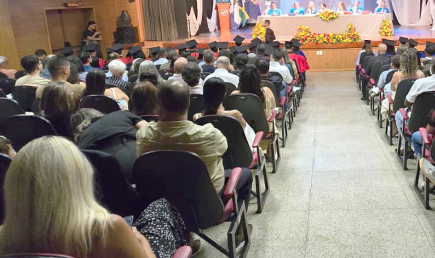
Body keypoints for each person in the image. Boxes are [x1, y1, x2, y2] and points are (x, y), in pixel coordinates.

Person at [0, 136, 194, 258]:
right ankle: (188, 241)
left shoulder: (5, 236)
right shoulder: (107, 229)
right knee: (161, 208)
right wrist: (141, 242)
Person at [137, 80, 253, 208]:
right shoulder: (209, 134)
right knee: (246, 173)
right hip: (205, 207)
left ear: (157, 105)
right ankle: (236, 219)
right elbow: (224, 149)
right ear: (188, 103)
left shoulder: (143, 134)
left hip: (162, 206)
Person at [72, 107, 147, 181]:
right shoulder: (121, 114)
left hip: (114, 176)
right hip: (144, 159)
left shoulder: (81, 141)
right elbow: (149, 130)